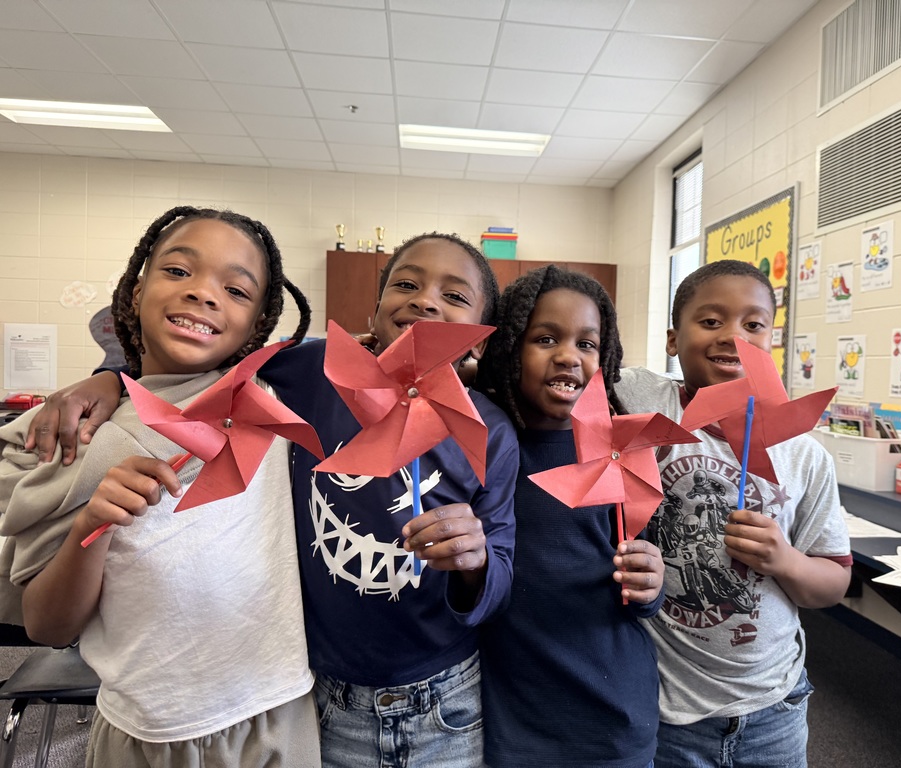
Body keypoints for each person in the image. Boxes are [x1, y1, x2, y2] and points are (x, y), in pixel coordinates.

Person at [21, 232, 520, 768]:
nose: (425, 300)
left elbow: (500, 572)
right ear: (374, 312)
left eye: (455, 296)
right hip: (322, 691)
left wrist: (476, 563)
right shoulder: (315, 373)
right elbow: (212, 368)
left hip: (442, 697)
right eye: (406, 284)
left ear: (478, 341)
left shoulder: (490, 434)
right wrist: (110, 380)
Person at [0, 206, 321, 766]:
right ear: (133, 290)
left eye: (237, 290)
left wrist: (108, 372)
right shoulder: (77, 439)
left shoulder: (276, 402)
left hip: (274, 715)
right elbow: (47, 625)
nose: (203, 293)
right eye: (178, 271)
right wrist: (91, 526)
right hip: (142, 729)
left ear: (260, 324)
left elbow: (402, 374)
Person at [615, 259, 852, 768]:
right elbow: (565, 365)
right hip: (665, 708)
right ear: (673, 340)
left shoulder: (805, 456)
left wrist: (784, 560)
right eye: (710, 321)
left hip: (773, 705)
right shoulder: (644, 399)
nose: (731, 336)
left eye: (752, 324)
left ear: (772, 340)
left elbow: (832, 584)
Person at [475, 265, 664, 768]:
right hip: (514, 722)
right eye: (545, 338)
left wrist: (651, 584)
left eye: (587, 344)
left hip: (614, 719)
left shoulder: (623, 451)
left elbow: (644, 581)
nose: (568, 356)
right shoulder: (483, 440)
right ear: (510, 345)